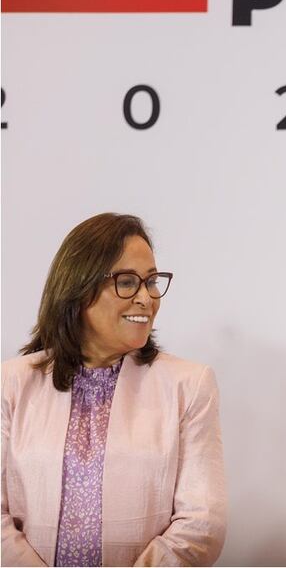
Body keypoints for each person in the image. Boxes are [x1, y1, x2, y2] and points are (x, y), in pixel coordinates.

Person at [2, 213, 227, 566]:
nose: (146, 298)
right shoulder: (11, 384)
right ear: (78, 289)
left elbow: (203, 523)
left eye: (151, 282)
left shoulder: (189, 385)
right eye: (127, 282)